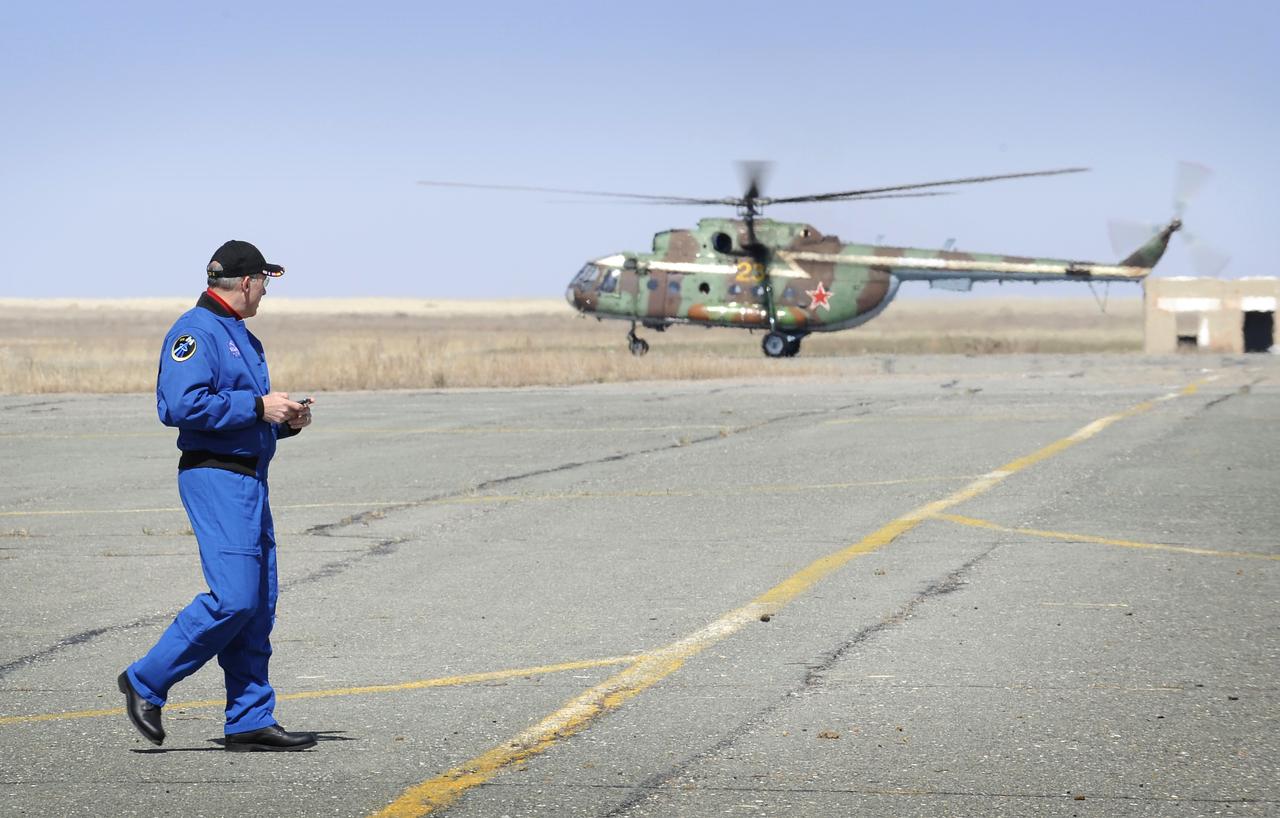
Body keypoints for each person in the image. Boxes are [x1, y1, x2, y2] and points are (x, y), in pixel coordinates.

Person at [117, 239, 317, 752]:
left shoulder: (243, 337)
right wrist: (256, 407)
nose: (266, 292)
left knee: (256, 604)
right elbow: (182, 406)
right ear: (247, 282)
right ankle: (145, 682)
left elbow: (245, 414)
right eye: (265, 283)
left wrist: (284, 420)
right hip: (216, 477)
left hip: (250, 478)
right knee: (232, 597)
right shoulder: (195, 331)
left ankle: (249, 718)